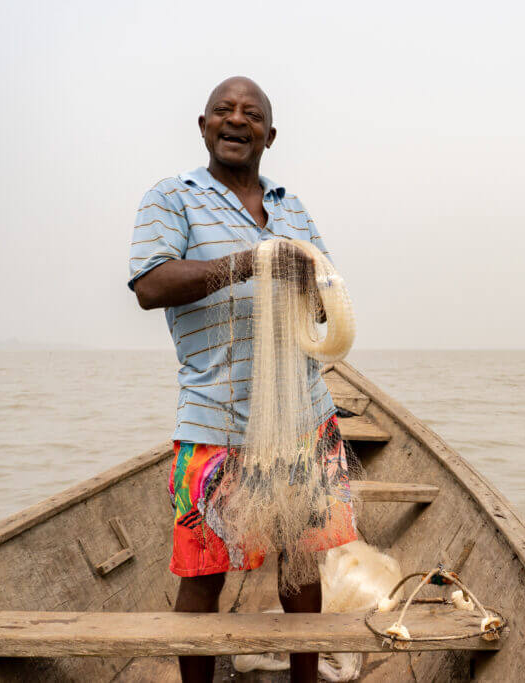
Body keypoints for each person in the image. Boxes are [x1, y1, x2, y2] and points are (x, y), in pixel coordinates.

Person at [127, 76, 356, 683]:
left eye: (251, 114)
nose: (237, 120)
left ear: (270, 135)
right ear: (203, 126)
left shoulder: (291, 206)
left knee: (303, 567)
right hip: (214, 418)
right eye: (223, 111)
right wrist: (250, 262)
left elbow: (326, 288)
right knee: (203, 573)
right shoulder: (171, 198)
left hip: (302, 413)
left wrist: (308, 282)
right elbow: (151, 285)